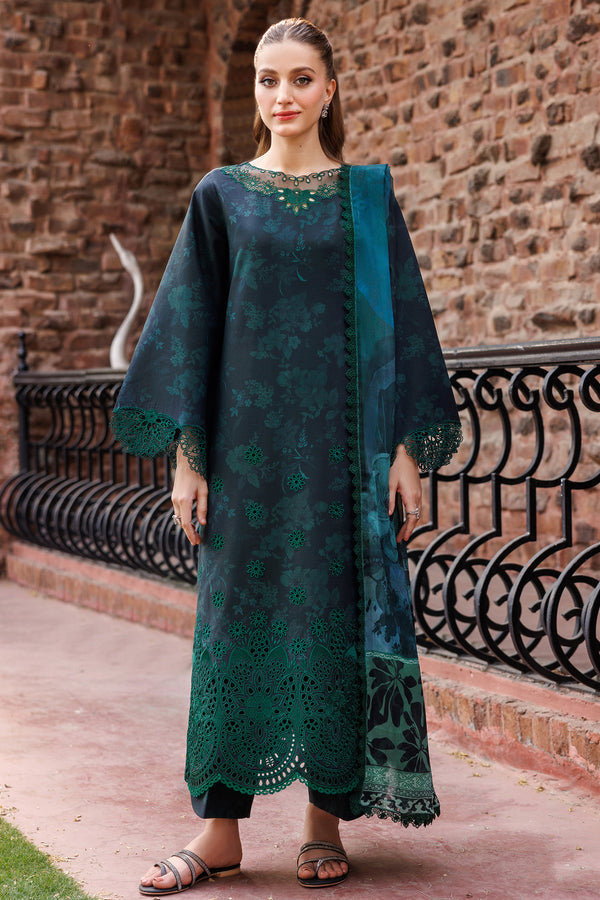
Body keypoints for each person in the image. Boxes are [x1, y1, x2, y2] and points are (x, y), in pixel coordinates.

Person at [111, 17, 462, 895]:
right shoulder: (221, 195)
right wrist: (188, 458)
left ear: (330, 89)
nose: (283, 96)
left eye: (301, 79)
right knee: (233, 624)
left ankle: (321, 824)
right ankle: (220, 831)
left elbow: (402, 323)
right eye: (268, 80)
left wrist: (404, 450)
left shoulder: (367, 196)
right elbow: (189, 327)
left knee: (334, 625)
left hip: (345, 454)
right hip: (246, 455)